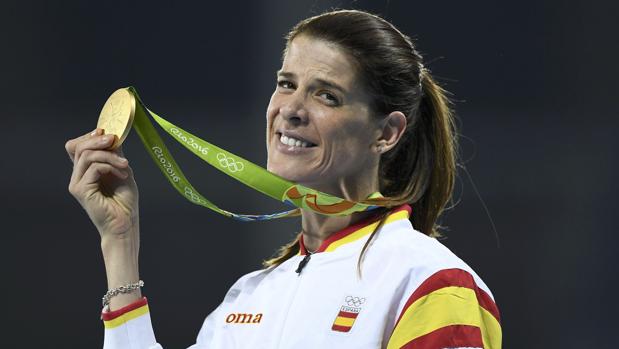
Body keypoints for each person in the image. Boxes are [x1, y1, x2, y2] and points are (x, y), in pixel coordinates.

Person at [65, 9, 501, 349]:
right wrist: (119, 242)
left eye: (326, 95)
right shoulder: (248, 298)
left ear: (386, 133)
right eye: (286, 84)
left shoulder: (428, 281)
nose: (291, 109)